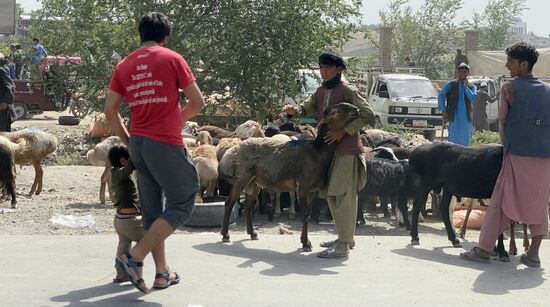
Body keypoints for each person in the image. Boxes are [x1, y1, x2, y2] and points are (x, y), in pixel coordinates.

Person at [104, 12, 205, 293]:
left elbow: (109, 110)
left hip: (138, 143)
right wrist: (177, 120)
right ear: (165, 37)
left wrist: (128, 139)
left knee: (153, 213)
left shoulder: (124, 64)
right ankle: (134, 258)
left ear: (140, 35)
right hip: (164, 141)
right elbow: (198, 102)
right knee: (184, 198)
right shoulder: (172, 58)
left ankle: (162, 273)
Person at [460, 42, 550, 267]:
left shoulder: (510, 88)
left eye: (510, 61)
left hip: (516, 153)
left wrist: (506, 146)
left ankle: (483, 249)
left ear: (524, 64)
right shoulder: (548, 90)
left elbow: (503, 123)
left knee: (501, 199)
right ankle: (533, 254)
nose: (507, 65)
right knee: (539, 201)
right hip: (544, 155)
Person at [289, 51, 374, 258]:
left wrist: (344, 131)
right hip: (325, 153)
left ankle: (344, 245)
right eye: (321, 68)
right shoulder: (320, 92)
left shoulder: (348, 91)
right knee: (331, 195)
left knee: (343, 197)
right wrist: (294, 110)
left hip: (347, 151)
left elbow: (368, 114)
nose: (323, 72)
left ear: (338, 70)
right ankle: (344, 237)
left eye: (327, 68)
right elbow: (306, 108)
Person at [107, 145, 145, 284]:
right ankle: (131, 261)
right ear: (123, 161)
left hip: (120, 221)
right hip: (130, 221)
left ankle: (121, 274)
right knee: (151, 238)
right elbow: (131, 166)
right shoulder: (119, 172)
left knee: (123, 246)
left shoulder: (114, 173)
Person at [438, 62, 477, 146]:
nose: (463, 74)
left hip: (466, 118)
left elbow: (473, 97)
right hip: (454, 116)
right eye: (461, 71)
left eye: (465, 72)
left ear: (468, 73)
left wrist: (466, 88)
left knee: (466, 140)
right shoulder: (451, 84)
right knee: (453, 141)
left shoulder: (471, 86)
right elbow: (441, 95)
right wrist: (443, 110)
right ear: (458, 72)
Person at [0, 53, 16, 132]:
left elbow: (11, 86)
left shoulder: (1, 70)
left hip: (2, 107)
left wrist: (5, 101)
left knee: (3, 132)